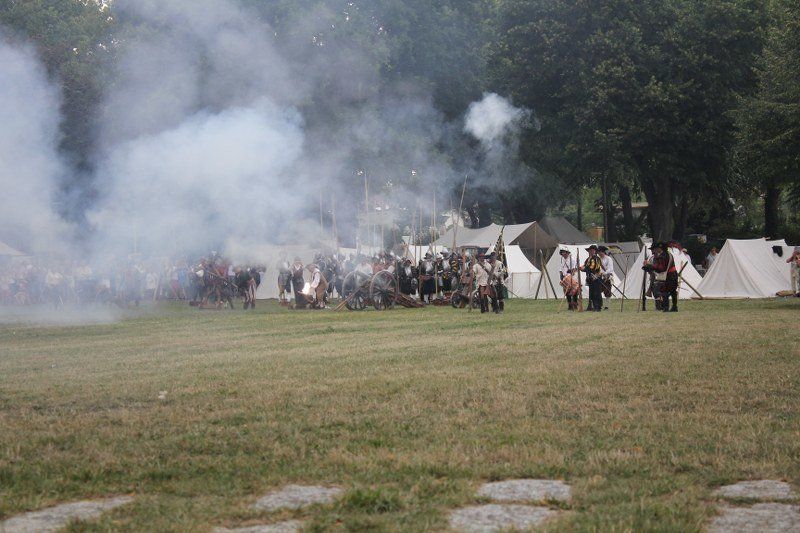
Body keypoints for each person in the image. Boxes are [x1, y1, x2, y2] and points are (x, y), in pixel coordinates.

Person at [645, 242, 678, 312]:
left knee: (665, 291)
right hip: (672, 274)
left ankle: (666, 308)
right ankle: (674, 307)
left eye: (655, 249)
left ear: (659, 248)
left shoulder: (663, 256)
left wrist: (650, 266)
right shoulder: (667, 254)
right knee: (672, 291)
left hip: (669, 275)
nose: (654, 250)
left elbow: (661, 268)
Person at [580, 245, 603, 312]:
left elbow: (593, 267)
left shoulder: (597, 258)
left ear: (595, 251)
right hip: (590, 278)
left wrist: (584, 269)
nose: (590, 251)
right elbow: (585, 266)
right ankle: (591, 307)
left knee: (597, 293)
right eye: (589, 250)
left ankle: (597, 307)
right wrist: (581, 268)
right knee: (591, 293)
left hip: (596, 277)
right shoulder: (588, 259)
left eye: (592, 250)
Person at [598, 246, 615, 310]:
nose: (598, 253)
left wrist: (604, 273)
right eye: (598, 252)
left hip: (607, 277)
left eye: (599, 252)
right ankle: (599, 305)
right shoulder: (598, 259)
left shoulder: (608, 259)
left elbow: (610, 269)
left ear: (603, 252)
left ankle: (607, 306)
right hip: (599, 277)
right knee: (598, 291)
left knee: (607, 292)